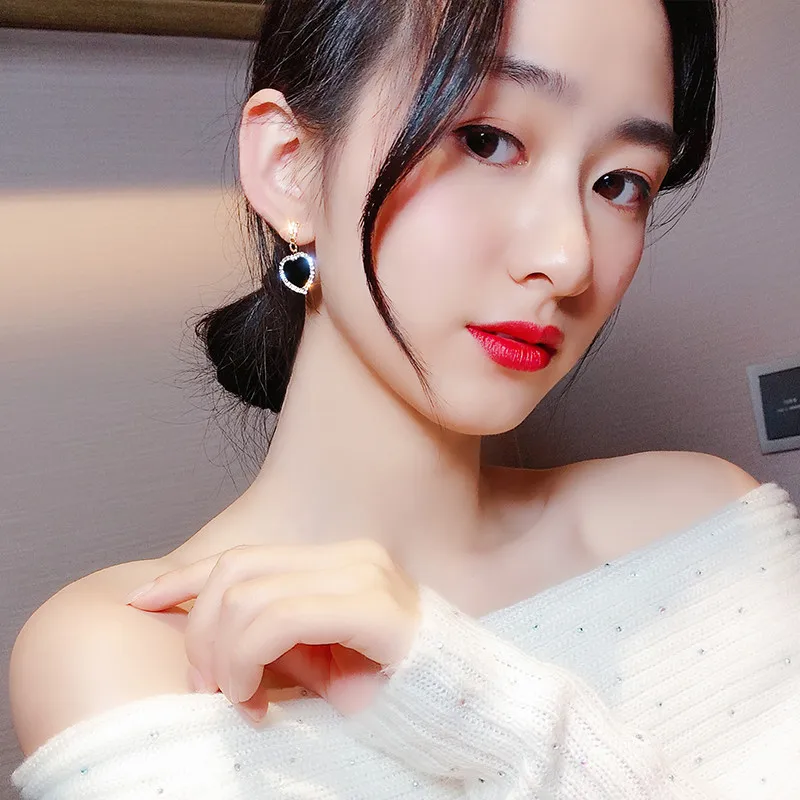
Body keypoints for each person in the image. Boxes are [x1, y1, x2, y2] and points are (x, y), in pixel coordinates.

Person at [9, 0, 800, 797]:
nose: (569, 258)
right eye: (487, 141)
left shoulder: (705, 526)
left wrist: (472, 701)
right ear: (290, 166)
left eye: (620, 183)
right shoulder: (127, 656)